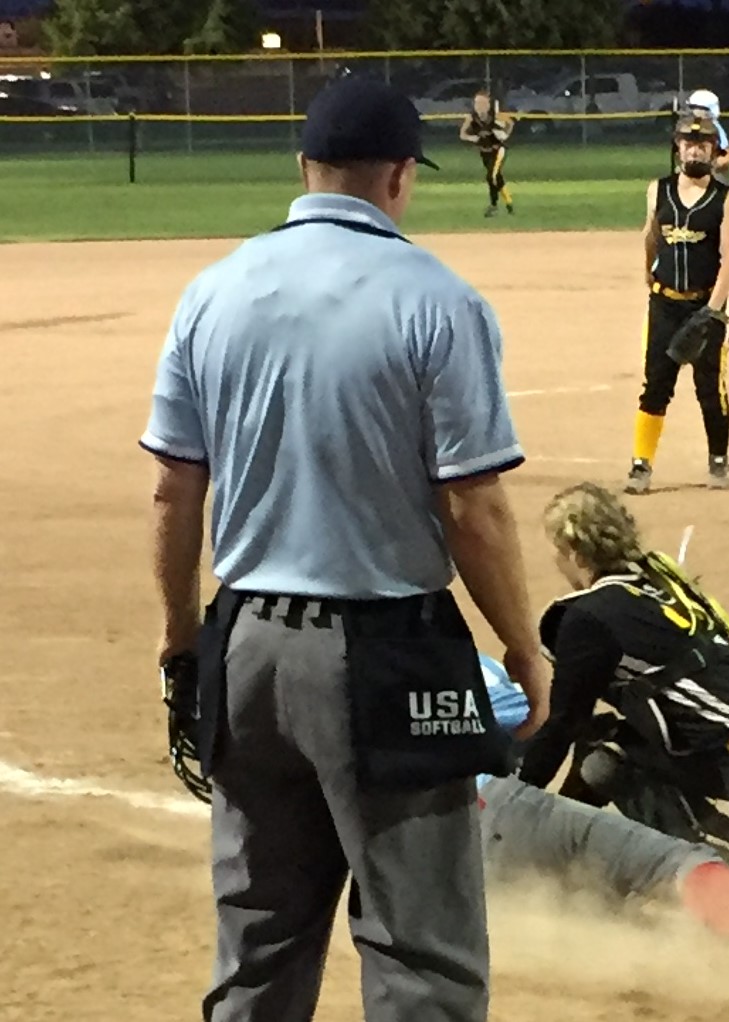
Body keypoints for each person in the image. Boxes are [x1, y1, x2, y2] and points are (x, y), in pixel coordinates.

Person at [140, 73, 549, 1022]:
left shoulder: (212, 291)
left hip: (243, 642)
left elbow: (172, 488)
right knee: (421, 950)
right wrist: (523, 648)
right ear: (401, 175)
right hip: (387, 647)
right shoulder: (436, 299)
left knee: (259, 944)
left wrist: (181, 642)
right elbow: (473, 507)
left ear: (304, 168)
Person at [518, 482, 729, 888]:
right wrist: (556, 829)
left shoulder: (589, 617)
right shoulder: (659, 588)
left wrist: (518, 803)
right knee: (607, 754)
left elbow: (562, 723)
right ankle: (708, 852)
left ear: (573, 550)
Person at [475, 653, 729, 942]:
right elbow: (543, 717)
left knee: (583, 902)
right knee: (676, 862)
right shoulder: (469, 666)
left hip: (443, 858)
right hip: (490, 808)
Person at [628, 111, 729, 496]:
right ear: (677, 148)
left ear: (713, 152)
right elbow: (650, 235)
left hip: (705, 305)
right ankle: (641, 464)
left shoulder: (724, 199)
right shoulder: (657, 190)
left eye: (703, 144)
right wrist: (648, 274)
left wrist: (713, 309)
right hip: (664, 303)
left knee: (710, 387)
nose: (695, 149)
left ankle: (718, 459)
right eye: (688, 143)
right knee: (656, 385)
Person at [685, 89, 729, 285]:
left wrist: (710, 165)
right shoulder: (694, 128)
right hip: (700, 181)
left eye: (697, 109)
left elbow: (728, 156)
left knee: (712, 227)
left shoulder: (714, 128)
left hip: (717, 181)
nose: (693, 112)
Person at [459, 89, 515, 218]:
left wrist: (505, 135)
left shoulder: (495, 115)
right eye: (477, 103)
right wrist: (471, 138)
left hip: (498, 150)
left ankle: (493, 206)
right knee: (497, 178)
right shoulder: (471, 118)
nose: (479, 106)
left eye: (483, 103)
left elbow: (511, 123)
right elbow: (462, 134)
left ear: (489, 104)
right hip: (484, 152)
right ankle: (509, 204)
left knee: (492, 176)